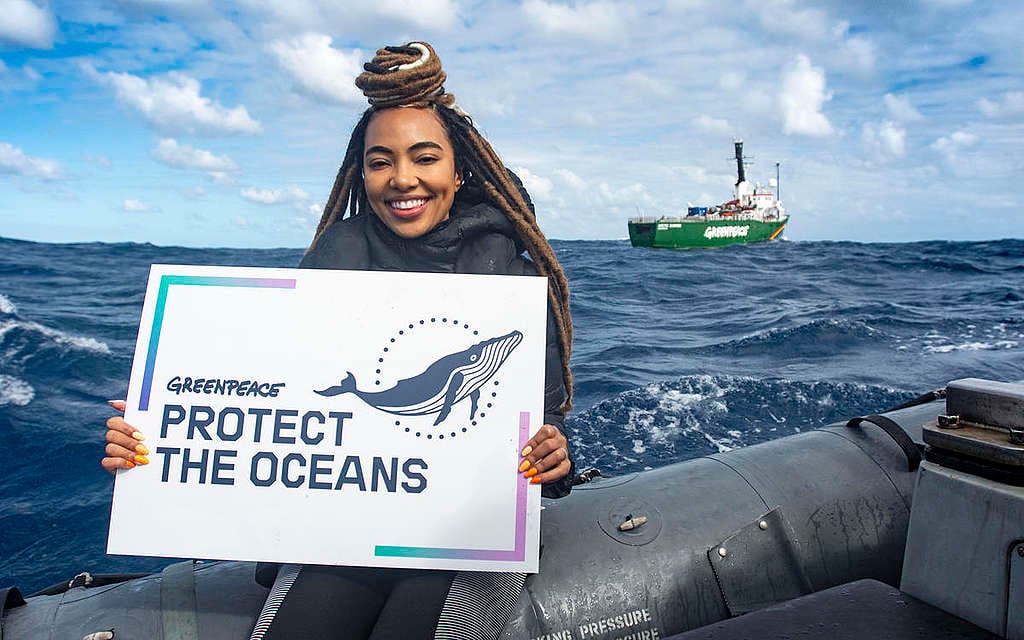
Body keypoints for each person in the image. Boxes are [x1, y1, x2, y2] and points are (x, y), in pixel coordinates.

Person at [102, 42, 575, 639]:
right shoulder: (332, 259)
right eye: (381, 162)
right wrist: (155, 433)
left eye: (424, 158)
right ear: (362, 174)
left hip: (462, 533)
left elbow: (545, 435)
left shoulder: (509, 272)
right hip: (343, 524)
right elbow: (260, 398)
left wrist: (552, 457)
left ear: (459, 170)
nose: (403, 178)